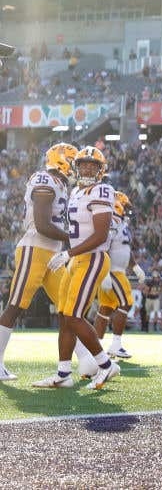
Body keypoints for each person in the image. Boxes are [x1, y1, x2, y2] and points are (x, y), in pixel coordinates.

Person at [34, 146, 121, 390]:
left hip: (91, 258)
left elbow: (101, 233)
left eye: (93, 165)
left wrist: (68, 252)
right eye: (83, 164)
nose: (87, 168)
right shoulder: (75, 192)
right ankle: (63, 373)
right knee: (64, 315)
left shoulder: (102, 189)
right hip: (76, 259)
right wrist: (70, 255)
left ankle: (105, 365)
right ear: (76, 167)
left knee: (74, 315)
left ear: (101, 169)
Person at [0, 143, 78, 382]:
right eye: (73, 162)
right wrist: (74, 238)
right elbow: (43, 225)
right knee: (15, 305)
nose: (75, 168)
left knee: (70, 307)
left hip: (53, 254)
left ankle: (88, 361)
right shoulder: (45, 179)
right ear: (63, 162)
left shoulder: (61, 184)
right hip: (35, 248)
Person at [94, 191, 146, 358]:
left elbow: (123, 248)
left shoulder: (120, 223)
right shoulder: (113, 220)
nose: (127, 210)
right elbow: (104, 244)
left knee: (106, 308)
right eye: (125, 206)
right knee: (126, 303)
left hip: (116, 270)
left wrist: (135, 267)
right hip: (113, 271)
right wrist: (105, 271)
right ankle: (115, 345)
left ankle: (96, 348)